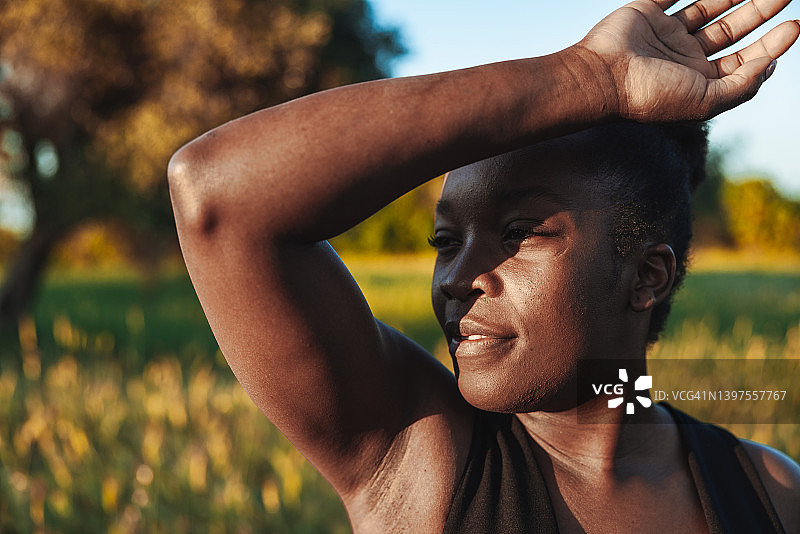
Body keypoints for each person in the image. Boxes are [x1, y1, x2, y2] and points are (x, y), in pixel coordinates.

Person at [167, 0, 800, 531]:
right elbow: (217, 193)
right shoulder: (417, 452)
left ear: (647, 277)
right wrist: (589, 80)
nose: (454, 277)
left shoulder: (767, 492)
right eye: (445, 242)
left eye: (520, 232)